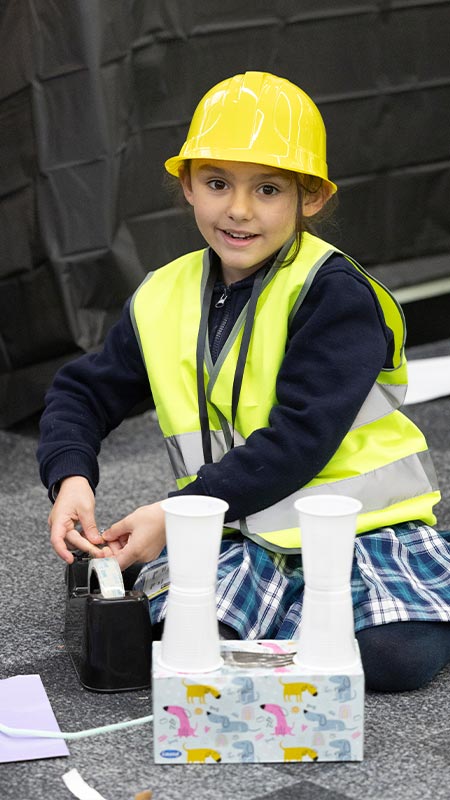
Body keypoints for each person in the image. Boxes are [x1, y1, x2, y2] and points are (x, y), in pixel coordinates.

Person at [38, 71, 450, 692]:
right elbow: (81, 391)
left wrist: (175, 517)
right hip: (241, 524)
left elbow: (299, 440)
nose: (238, 209)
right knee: (174, 635)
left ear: (308, 197)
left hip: (359, 529)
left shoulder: (336, 294)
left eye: (267, 189)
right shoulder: (161, 295)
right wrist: (69, 475)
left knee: (394, 659)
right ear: (186, 187)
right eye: (217, 183)